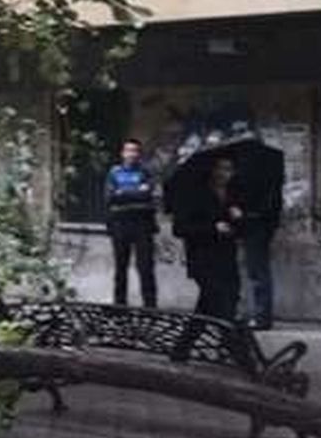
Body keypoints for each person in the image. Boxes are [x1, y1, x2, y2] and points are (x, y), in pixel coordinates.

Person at [172, 156, 244, 324]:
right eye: (220, 169)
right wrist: (212, 228)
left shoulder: (232, 195)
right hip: (203, 259)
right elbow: (180, 228)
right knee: (221, 305)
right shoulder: (195, 195)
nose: (224, 174)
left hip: (226, 259)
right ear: (212, 171)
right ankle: (232, 345)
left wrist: (239, 217)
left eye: (228, 169)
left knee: (212, 305)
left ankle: (183, 346)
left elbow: (239, 230)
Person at [104, 139, 159, 308]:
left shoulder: (146, 172)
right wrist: (137, 192)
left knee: (146, 267)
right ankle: (119, 306)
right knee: (121, 267)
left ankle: (150, 306)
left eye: (135, 151)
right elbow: (110, 197)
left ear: (139, 154)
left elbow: (149, 196)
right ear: (122, 153)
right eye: (128, 150)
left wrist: (123, 194)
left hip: (143, 224)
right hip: (120, 224)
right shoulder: (114, 172)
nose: (131, 154)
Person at [238, 139, 283, 331]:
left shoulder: (253, 167)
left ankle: (260, 315)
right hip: (260, 223)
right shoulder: (272, 163)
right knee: (256, 269)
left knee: (256, 270)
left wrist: (244, 214)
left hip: (255, 223)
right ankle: (258, 313)